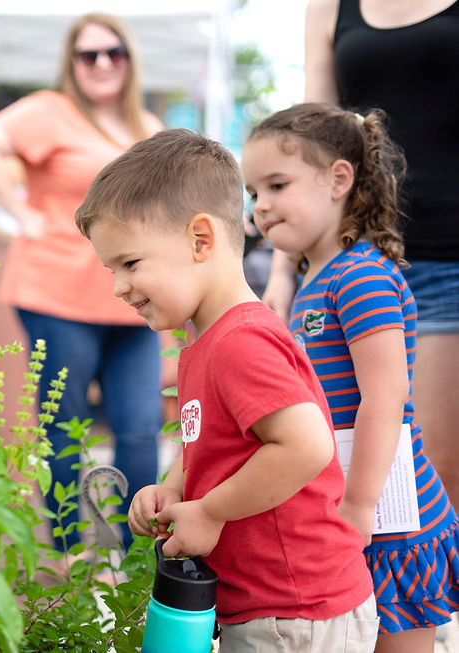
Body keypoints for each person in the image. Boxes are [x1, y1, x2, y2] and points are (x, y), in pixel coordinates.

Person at [77, 128, 379, 652]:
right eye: (111, 269)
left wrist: (210, 511)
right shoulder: (207, 340)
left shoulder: (241, 342)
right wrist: (175, 488)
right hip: (270, 605)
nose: (119, 286)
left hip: (295, 609)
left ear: (201, 239)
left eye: (130, 263)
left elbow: (307, 445)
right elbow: (211, 442)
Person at [243, 102, 459, 652]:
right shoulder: (316, 280)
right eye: (253, 192)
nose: (261, 206)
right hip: (349, 511)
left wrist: (360, 505)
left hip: (390, 518)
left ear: (339, 179)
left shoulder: (360, 276)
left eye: (277, 185)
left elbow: (386, 398)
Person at [0, 12, 165, 552]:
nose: (101, 63)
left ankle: (138, 560)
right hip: (57, 294)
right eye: (87, 54)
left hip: (136, 300)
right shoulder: (50, 111)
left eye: (113, 52)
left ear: (130, 59)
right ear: (71, 63)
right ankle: (69, 555)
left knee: (141, 428)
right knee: (64, 427)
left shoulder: (148, 126)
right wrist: (22, 215)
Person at [261, 0, 459, 510]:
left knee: (437, 468)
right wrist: (284, 271)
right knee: (347, 453)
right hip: (352, 261)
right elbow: (306, 137)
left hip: (449, 260)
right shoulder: (329, 7)